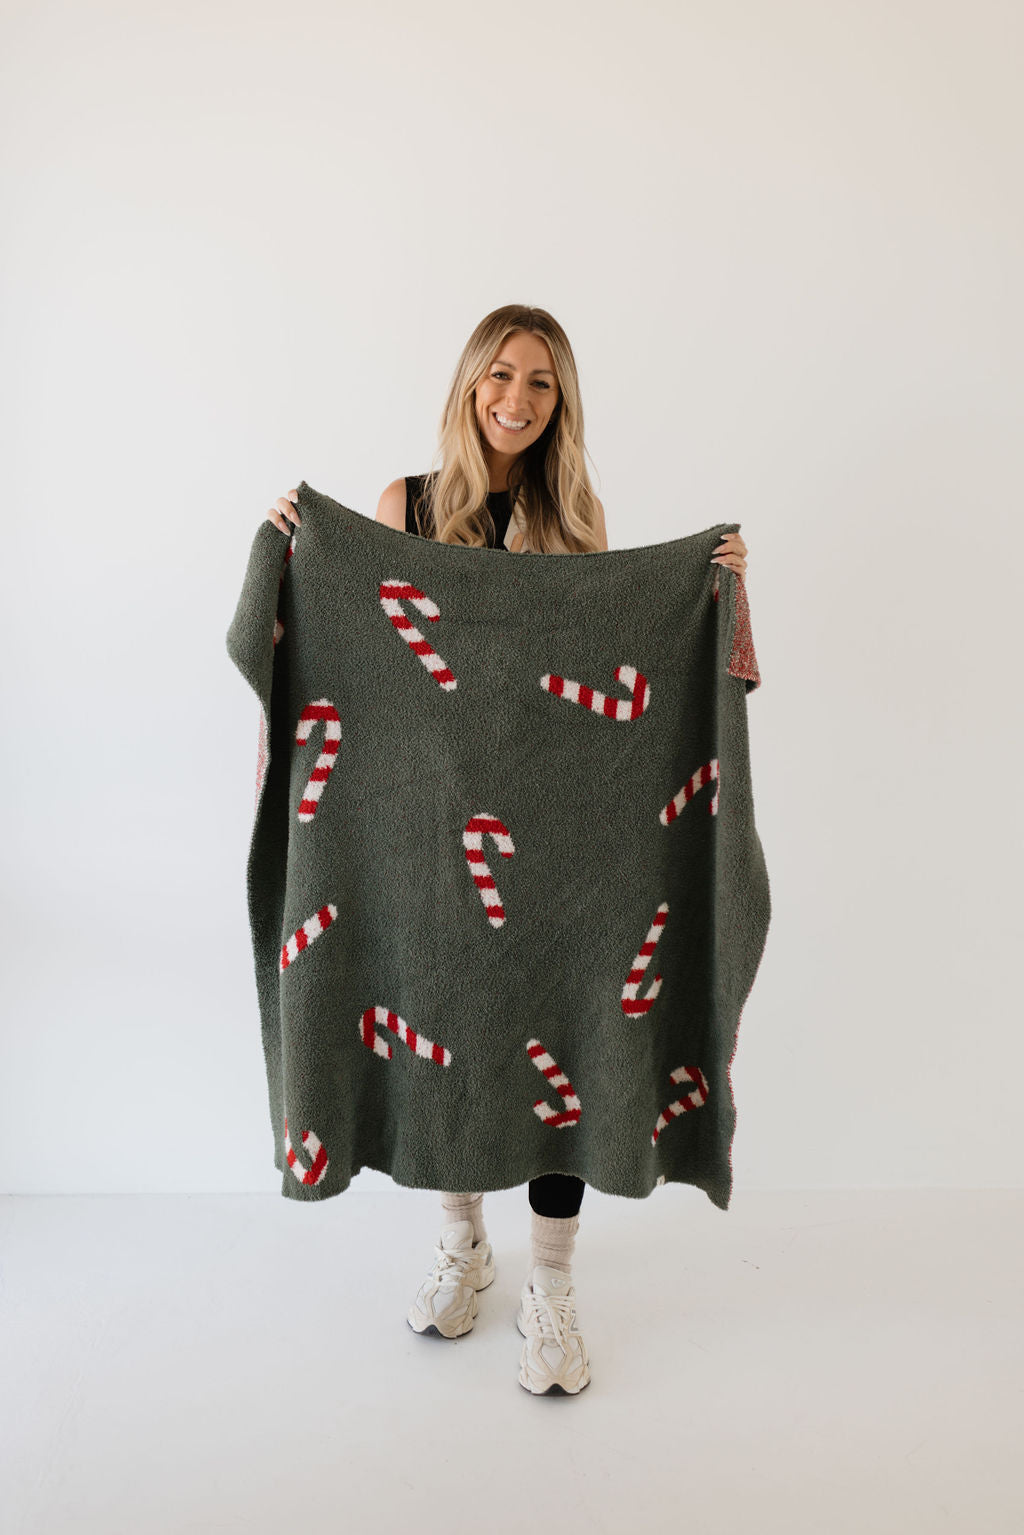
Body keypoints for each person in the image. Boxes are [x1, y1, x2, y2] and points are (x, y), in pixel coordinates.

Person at [265, 303, 749, 1396]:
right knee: (449, 1028)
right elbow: (361, 647)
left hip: (556, 841)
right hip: (430, 827)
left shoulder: (575, 517)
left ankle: (555, 1287)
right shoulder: (408, 503)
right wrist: (298, 551)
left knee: (556, 1053)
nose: (516, 400)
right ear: (468, 384)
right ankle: (460, 1244)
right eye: (499, 376)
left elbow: (613, 665)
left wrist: (709, 578)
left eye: (540, 382)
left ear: (560, 401)